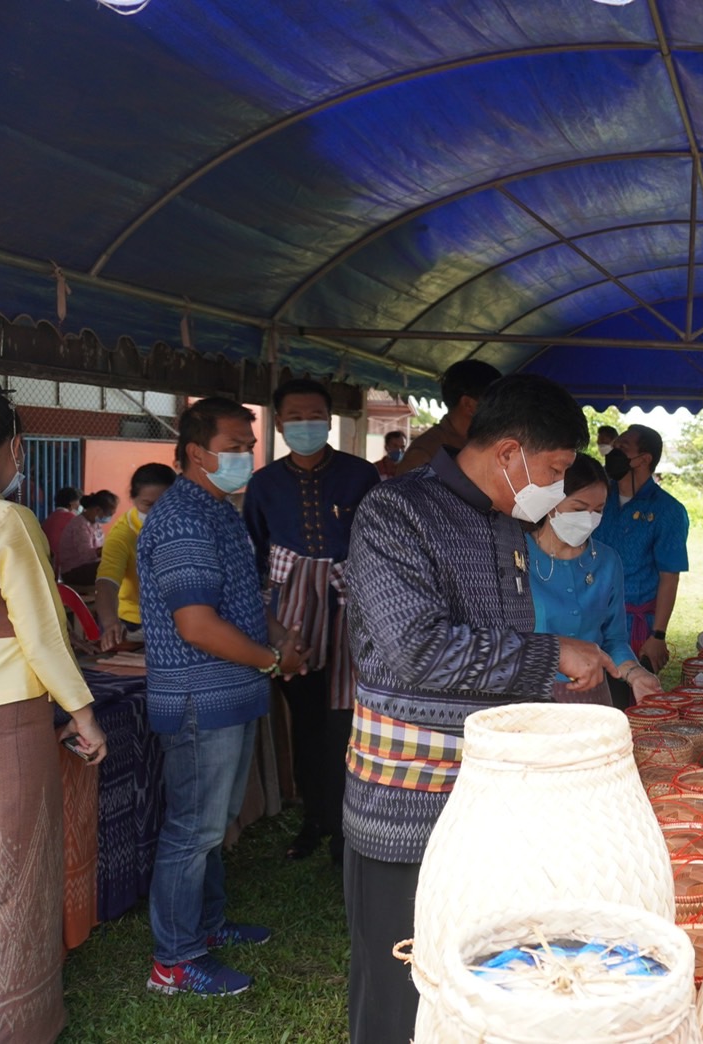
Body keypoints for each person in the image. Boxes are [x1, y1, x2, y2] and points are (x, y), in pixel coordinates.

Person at [343, 374, 617, 1042]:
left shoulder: (502, 524)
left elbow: (498, 652)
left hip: (487, 796)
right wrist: (549, 654)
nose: (555, 490)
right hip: (407, 799)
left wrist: (547, 694)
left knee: (475, 973)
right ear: (509, 453)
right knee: (401, 980)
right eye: (553, 471)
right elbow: (419, 650)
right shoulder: (395, 513)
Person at [0, 372, 108, 1041]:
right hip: (1, 725)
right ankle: (5, 1026)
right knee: (5, 878)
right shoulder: (4, 520)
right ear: (13, 445)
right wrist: (83, 711)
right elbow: (41, 632)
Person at [138, 397, 306, 997]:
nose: (246, 456)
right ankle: (175, 961)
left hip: (228, 695)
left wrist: (276, 633)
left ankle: (205, 926)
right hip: (197, 700)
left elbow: (238, 599)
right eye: (235, 446)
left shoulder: (219, 510)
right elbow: (197, 625)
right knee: (192, 830)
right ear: (195, 452)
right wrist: (273, 659)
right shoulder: (182, 519)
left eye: (249, 445)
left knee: (211, 826)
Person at [244, 378, 379, 863]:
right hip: (291, 619)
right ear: (279, 424)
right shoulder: (263, 483)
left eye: (314, 416)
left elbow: (377, 544)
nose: (305, 425)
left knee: (345, 721)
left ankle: (349, 828)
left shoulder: (360, 475)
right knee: (304, 721)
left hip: (351, 610)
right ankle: (314, 818)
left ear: (329, 420)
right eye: (295, 417)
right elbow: (256, 553)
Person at [528, 455, 663, 707]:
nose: (588, 518)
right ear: (549, 502)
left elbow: (614, 639)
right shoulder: (515, 555)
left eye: (598, 510)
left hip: (592, 697)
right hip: (530, 697)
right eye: (579, 509)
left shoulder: (607, 561)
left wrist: (635, 674)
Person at [598, 424, 689, 695]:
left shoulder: (668, 510)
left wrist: (657, 635)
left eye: (622, 448)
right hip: (590, 616)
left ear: (644, 459)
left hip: (634, 626)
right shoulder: (598, 497)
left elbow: (669, 576)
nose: (614, 451)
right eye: (615, 446)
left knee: (627, 701)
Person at [96, 462, 177, 651]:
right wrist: (110, 623)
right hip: (136, 625)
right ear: (132, 499)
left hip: (181, 620)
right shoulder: (123, 535)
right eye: (148, 505)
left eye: (164, 503)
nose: (157, 512)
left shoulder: (184, 525)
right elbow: (107, 583)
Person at [397, 359, 501, 472]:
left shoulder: (487, 443)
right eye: (494, 401)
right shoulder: (425, 454)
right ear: (469, 405)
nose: (501, 409)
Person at [54, 489, 118, 585]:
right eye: (108, 515)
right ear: (97, 510)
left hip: (87, 568)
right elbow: (86, 555)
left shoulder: (95, 525)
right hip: (73, 572)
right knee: (114, 567)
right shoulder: (79, 525)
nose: (108, 518)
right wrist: (106, 550)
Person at [42, 484, 81, 549]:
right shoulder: (72, 519)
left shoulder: (51, 517)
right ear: (72, 503)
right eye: (79, 501)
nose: (80, 505)